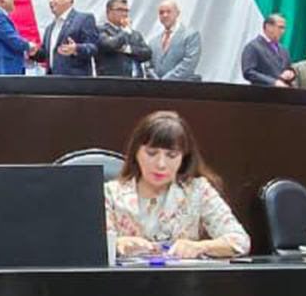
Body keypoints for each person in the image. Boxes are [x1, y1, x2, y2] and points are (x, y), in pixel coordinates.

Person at [105, 111, 250, 258]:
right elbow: (94, 246)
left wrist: (200, 247)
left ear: (183, 157)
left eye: (171, 155)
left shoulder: (198, 190)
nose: (161, 164)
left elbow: (240, 241)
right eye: (151, 153)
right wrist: (116, 244)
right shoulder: (110, 193)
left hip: (183, 273)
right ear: (135, 152)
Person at [31, 0, 98, 76]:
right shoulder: (49, 28)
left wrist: (76, 48)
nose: (51, 1)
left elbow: (93, 48)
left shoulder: (84, 19)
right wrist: (34, 53)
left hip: (75, 80)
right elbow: (45, 55)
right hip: (52, 79)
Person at [95, 0, 152, 77]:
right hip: (113, 80)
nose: (124, 14)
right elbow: (110, 45)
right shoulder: (100, 30)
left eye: (126, 11)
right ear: (108, 12)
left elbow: (147, 53)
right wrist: (125, 31)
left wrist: (128, 49)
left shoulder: (135, 34)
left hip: (136, 81)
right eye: (120, 10)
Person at [148, 0, 202, 81]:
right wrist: (156, 82)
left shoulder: (191, 35)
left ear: (177, 13)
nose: (165, 15)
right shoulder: (153, 42)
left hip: (182, 86)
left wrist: (165, 82)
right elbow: (149, 66)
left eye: (169, 12)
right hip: (156, 87)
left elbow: (189, 64)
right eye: (161, 12)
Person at [241, 14, 295, 87]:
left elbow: (289, 68)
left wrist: (291, 73)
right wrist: (273, 82)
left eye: (284, 28)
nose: (283, 31)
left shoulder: (284, 49)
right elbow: (248, 72)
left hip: (283, 92)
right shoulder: (252, 46)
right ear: (268, 27)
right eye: (280, 27)